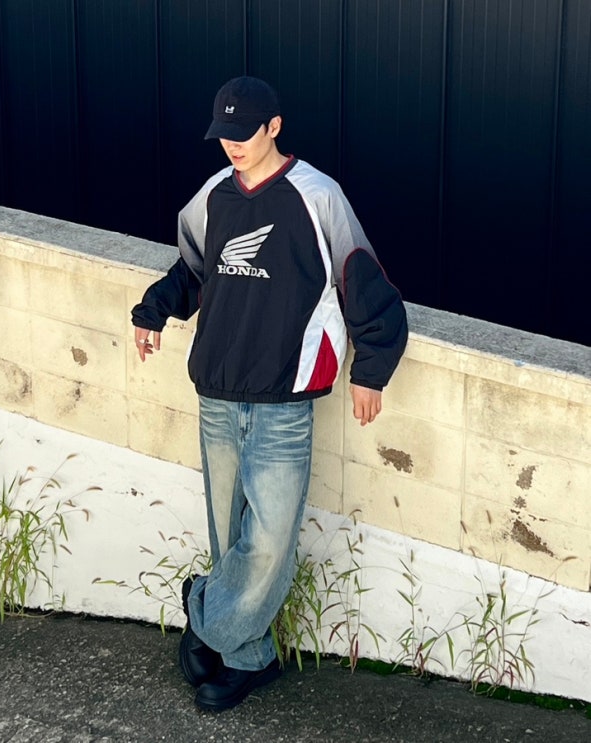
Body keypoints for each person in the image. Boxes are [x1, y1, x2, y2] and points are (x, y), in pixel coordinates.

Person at [131, 76, 407, 712]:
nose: (232, 144)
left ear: (274, 126)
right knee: (228, 537)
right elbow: (193, 270)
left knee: (269, 543)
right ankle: (248, 658)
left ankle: (205, 616)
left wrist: (371, 369)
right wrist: (155, 310)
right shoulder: (213, 196)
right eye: (223, 134)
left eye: (244, 132)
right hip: (217, 393)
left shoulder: (317, 196)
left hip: (284, 398)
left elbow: (362, 278)